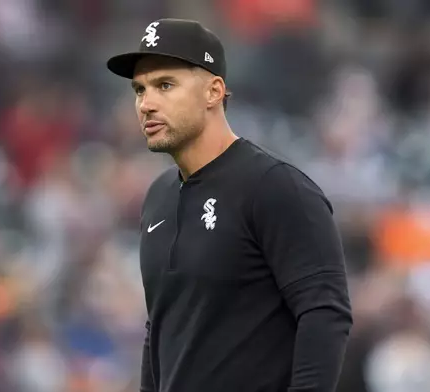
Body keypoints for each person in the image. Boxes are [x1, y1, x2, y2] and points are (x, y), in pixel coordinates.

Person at [106, 18, 353, 392]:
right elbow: (159, 329)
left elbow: (324, 313)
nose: (146, 104)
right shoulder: (157, 198)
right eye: (139, 90)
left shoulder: (273, 187)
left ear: (214, 91)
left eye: (165, 85)